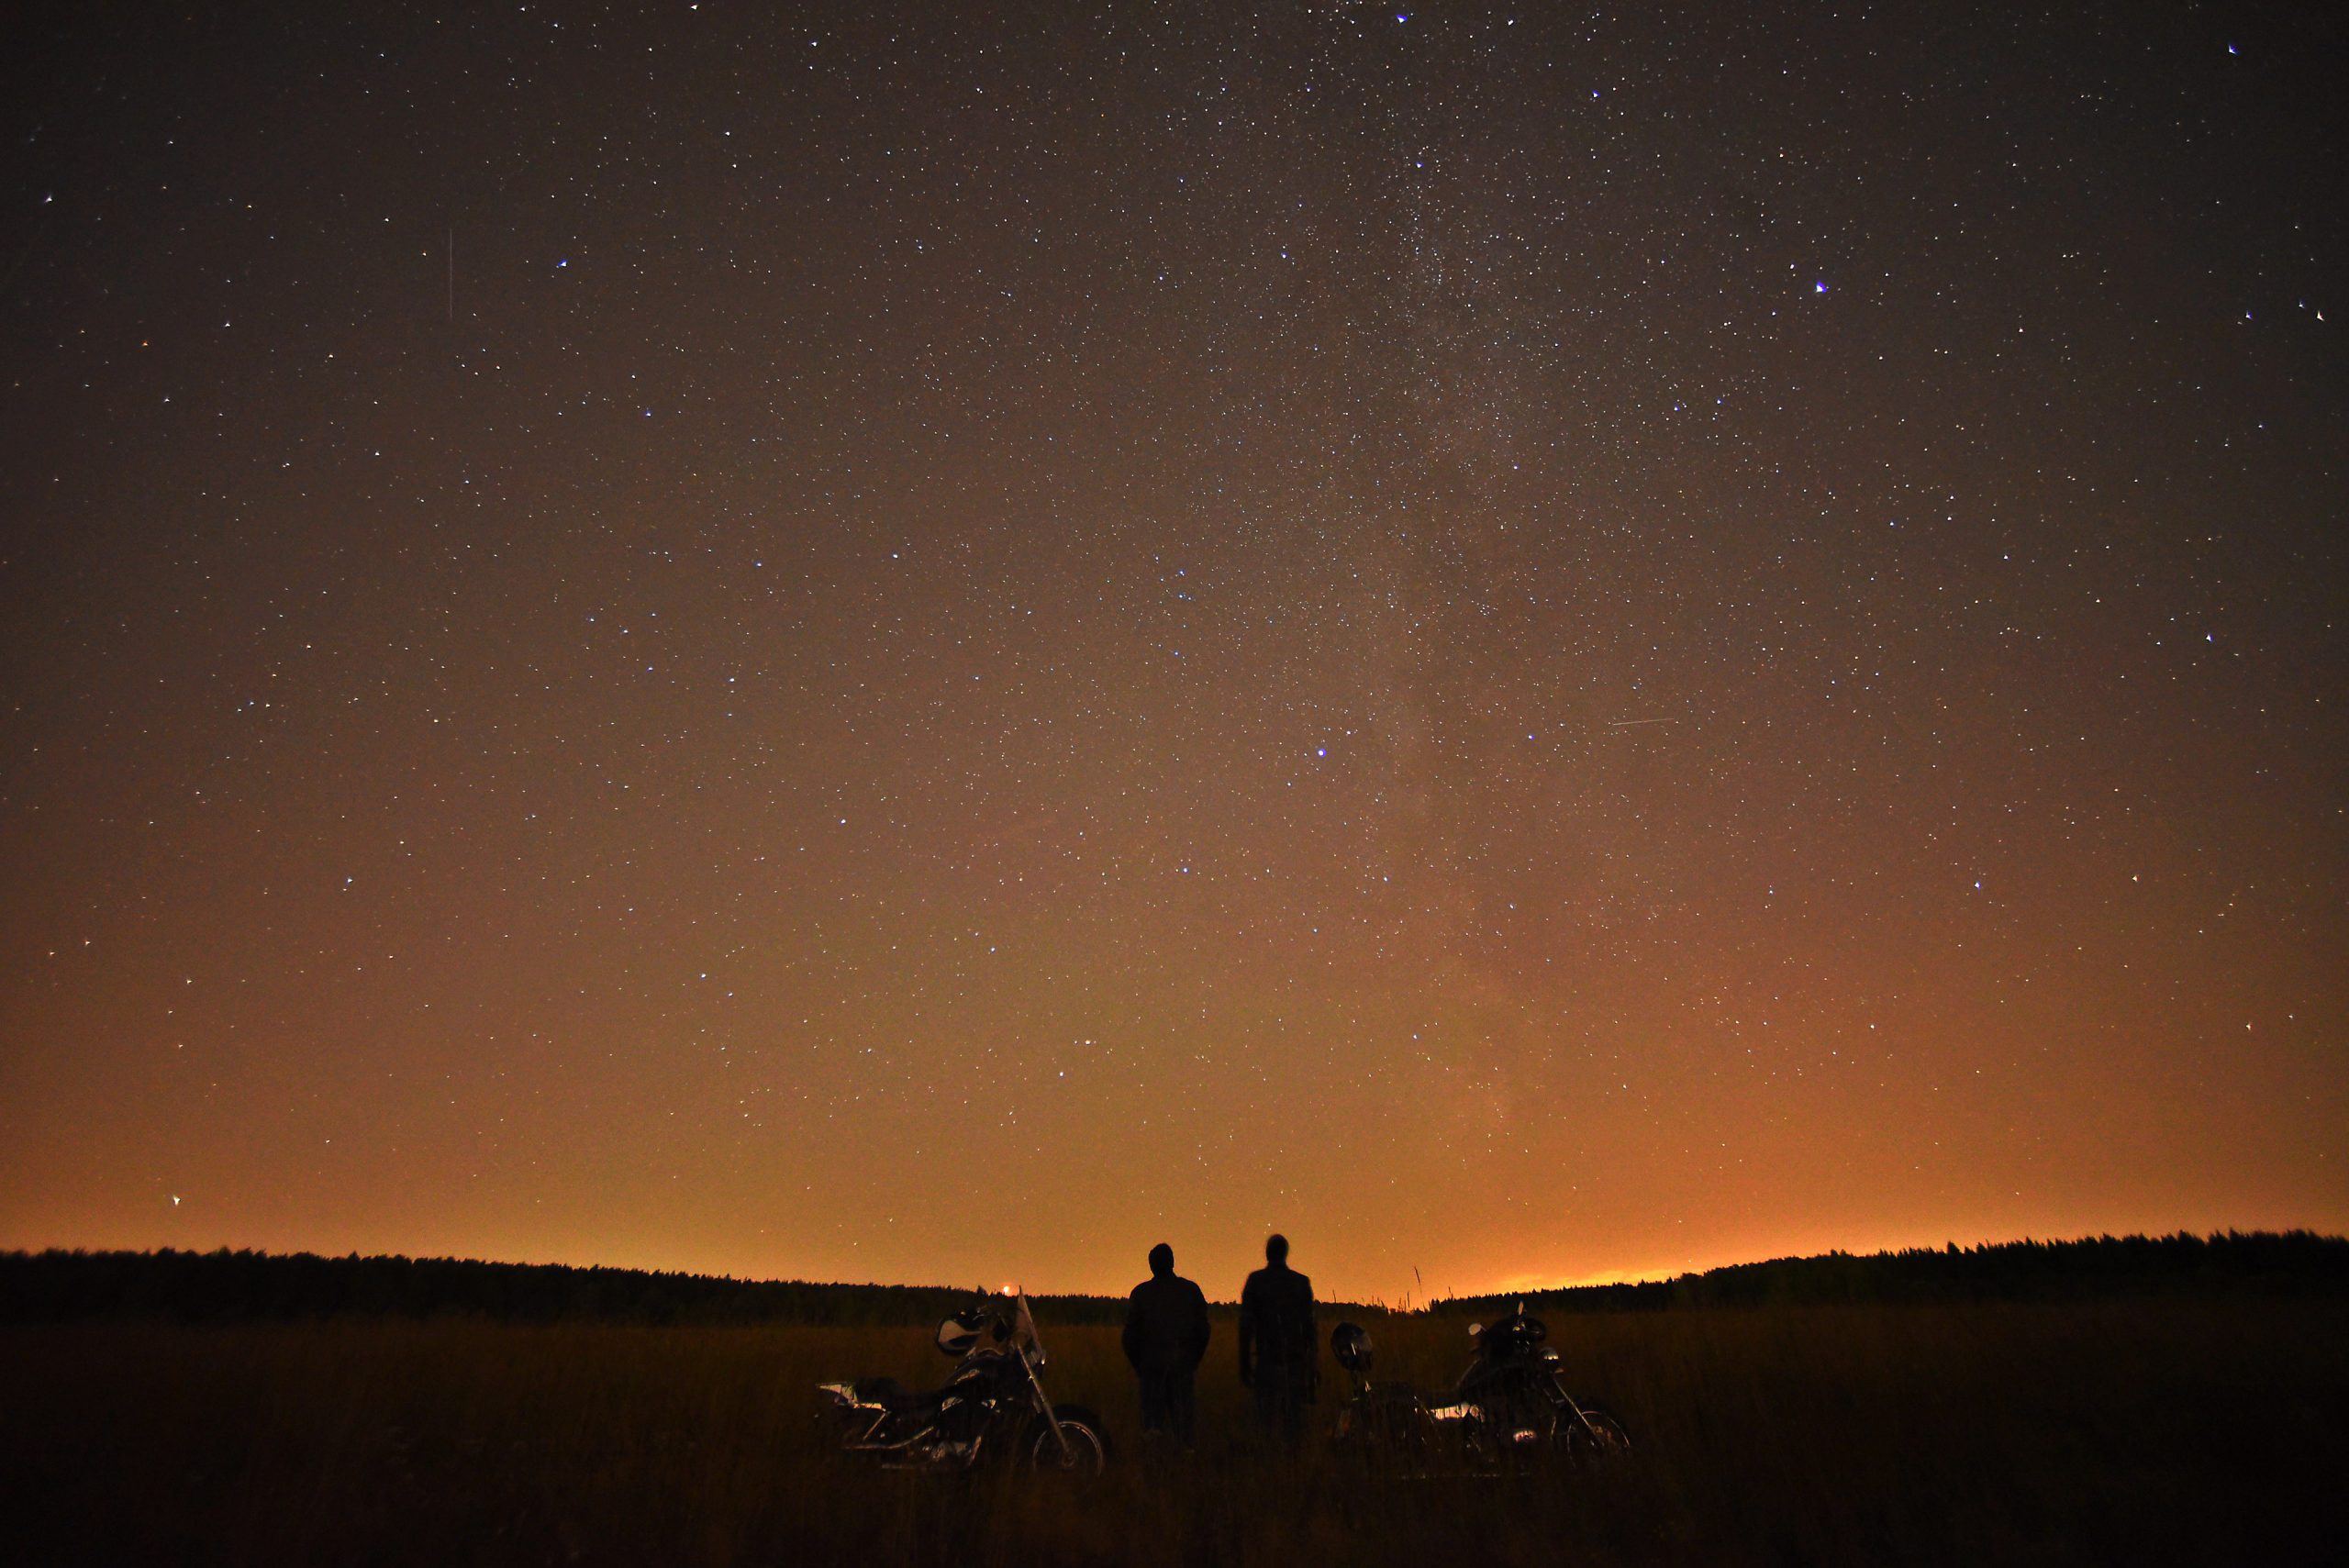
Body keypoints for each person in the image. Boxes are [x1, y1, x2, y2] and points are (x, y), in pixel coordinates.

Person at [1121, 1241, 1210, 1445]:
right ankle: (1185, 1466)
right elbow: (1203, 1331)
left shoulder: (1141, 1294)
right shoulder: (1190, 1291)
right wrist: (1192, 1361)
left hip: (1151, 1371)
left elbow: (1129, 1337)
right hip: (1182, 1369)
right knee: (1184, 1429)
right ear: (1172, 1262)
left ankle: (1155, 1468)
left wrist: (1140, 1367)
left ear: (1151, 1266)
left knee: (1152, 1429)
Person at [1238, 1232, 1317, 1443]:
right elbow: (1309, 1327)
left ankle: (1269, 1456)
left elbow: (1246, 1325)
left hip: (1267, 1358)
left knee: (1266, 1417)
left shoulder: (1256, 1281)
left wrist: (1244, 1360)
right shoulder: (1301, 1283)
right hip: (1295, 1358)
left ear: (1267, 1253)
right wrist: (1312, 1363)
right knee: (1294, 1418)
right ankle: (1293, 1460)